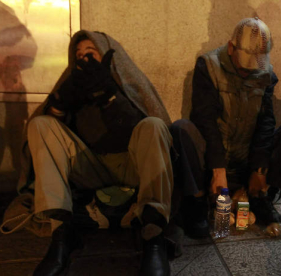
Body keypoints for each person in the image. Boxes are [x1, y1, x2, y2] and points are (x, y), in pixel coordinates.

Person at [22, 30, 173, 276]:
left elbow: (145, 126)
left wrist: (109, 96)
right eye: (78, 55)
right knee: (40, 124)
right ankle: (61, 234)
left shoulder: (127, 81)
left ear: (105, 55)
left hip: (131, 164)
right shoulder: (73, 83)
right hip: (90, 167)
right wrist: (61, 103)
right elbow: (53, 134)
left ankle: (154, 234)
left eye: (90, 54)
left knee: (153, 125)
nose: (83, 60)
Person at [171, 17, 281, 235]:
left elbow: (266, 122)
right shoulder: (207, 66)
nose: (248, 72)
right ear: (230, 47)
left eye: (253, 67)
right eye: (244, 66)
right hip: (214, 160)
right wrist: (218, 169)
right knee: (181, 129)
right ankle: (197, 203)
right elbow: (205, 121)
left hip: (246, 159)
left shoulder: (266, 72)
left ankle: (259, 197)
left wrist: (260, 169)